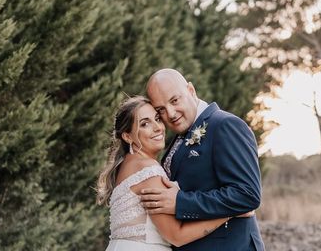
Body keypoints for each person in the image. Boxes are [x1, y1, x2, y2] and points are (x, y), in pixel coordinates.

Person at [97, 96, 248, 250]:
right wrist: (230, 213)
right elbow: (177, 236)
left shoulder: (127, 165)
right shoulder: (147, 170)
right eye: (144, 124)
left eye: (157, 119)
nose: (157, 127)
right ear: (127, 136)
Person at [139, 68, 265, 251]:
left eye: (175, 100)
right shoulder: (180, 137)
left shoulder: (224, 125)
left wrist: (181, 202)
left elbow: (247, 194)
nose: (171, 114)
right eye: (161, 109)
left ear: (191, 90)